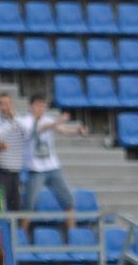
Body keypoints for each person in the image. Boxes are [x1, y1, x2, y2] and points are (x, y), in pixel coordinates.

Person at [16, 94, 86, 232]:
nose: (41, 109)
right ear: (31, 107)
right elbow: (40, 129)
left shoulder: (49, 119)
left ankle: (73, 234)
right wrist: (57, 122)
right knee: (29, 205)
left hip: (53, 167)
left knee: (69, 201)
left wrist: (77, 131)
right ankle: (21, 234)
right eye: (38, 105)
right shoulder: (25, 121)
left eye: (43, 106)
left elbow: (63, 130)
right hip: (36, 169)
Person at [0, 92, 28, 211]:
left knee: (17, 208)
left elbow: (29, 134)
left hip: (16, 171)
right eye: (2, 104)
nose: (5, 107)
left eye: (8, 104)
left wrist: (14, 119)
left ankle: (16, 230)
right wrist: (10, 122)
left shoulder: (19, 120)